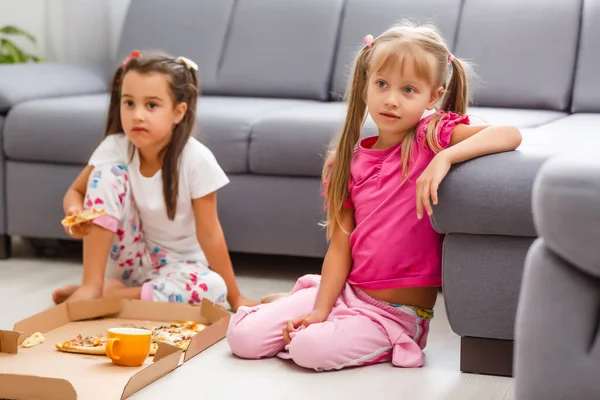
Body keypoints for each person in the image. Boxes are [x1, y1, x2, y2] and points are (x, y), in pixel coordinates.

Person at [226, 22, 522, 370]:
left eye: (408, 90)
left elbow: (509, 134)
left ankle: (309, 313)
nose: (391, 99)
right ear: (365, 85)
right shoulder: (346, 162)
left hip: (395, 316)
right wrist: (320, 310)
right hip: (346, 293)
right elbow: (340, 245)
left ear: (433, 96)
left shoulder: (431, 135)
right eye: (381, 84)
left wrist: (445, 157)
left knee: (308, 349)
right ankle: (312, 303)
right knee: (241, 338)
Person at [52, 50, 258, 312]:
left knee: (212, 288)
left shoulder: (196, 160)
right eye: (129, 103)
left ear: (178, 112)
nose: (138, 115)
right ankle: (91, 286)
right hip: (127, 261)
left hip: (177, 267)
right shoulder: (115, 147)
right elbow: (75, 192)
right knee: (105, 174)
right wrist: (75, 212)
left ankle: (112, 294)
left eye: (151, 105)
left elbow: (210, 234)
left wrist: (235, 297)